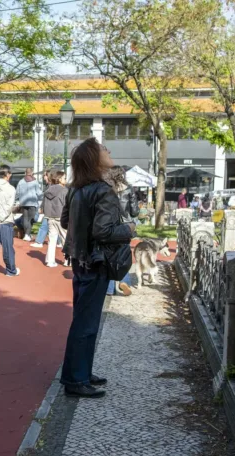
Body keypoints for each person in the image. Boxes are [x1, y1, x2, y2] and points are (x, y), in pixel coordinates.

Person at [60, 138, 134, 398]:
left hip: (79, 260)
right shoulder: (103, 190)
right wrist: (129, 229)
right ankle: (76, 379)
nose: (108, 151)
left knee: (83, 320)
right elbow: (104, 231)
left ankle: (80, 372)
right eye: (103, 149)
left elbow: (66, 221)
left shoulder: (75, 189)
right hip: (96, 261)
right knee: (87, 323)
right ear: (94, 158)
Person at [104, 166, 138, 296]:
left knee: (109, 256)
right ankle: (124, 281)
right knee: (124, 254)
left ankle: (109, 288)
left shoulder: (106, 189)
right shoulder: (129, 189)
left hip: (110, 225)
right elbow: (134, 212)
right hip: (126, 226)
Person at [40, 171, 68, 267]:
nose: (66, 180)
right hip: (61, 217)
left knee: (52, 240)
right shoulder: (64, 191)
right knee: (65, 239)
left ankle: (50, 261)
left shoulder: (48, 190)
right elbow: (67, 205)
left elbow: (44, 204)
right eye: (64, 178)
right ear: (59, 179)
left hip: (50, 217)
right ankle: (68, 260)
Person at [15, 168, 42, 241]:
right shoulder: (35, 181)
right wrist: (41, 198)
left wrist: (17, 200)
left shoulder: (21, 181)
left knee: (25, 219)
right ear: (32, 173)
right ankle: (27, 234)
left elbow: (17, 193)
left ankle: (27, 234)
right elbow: (39, 193)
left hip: (23, 203)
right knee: (31, 219)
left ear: (25, 173)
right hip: (32, 203)